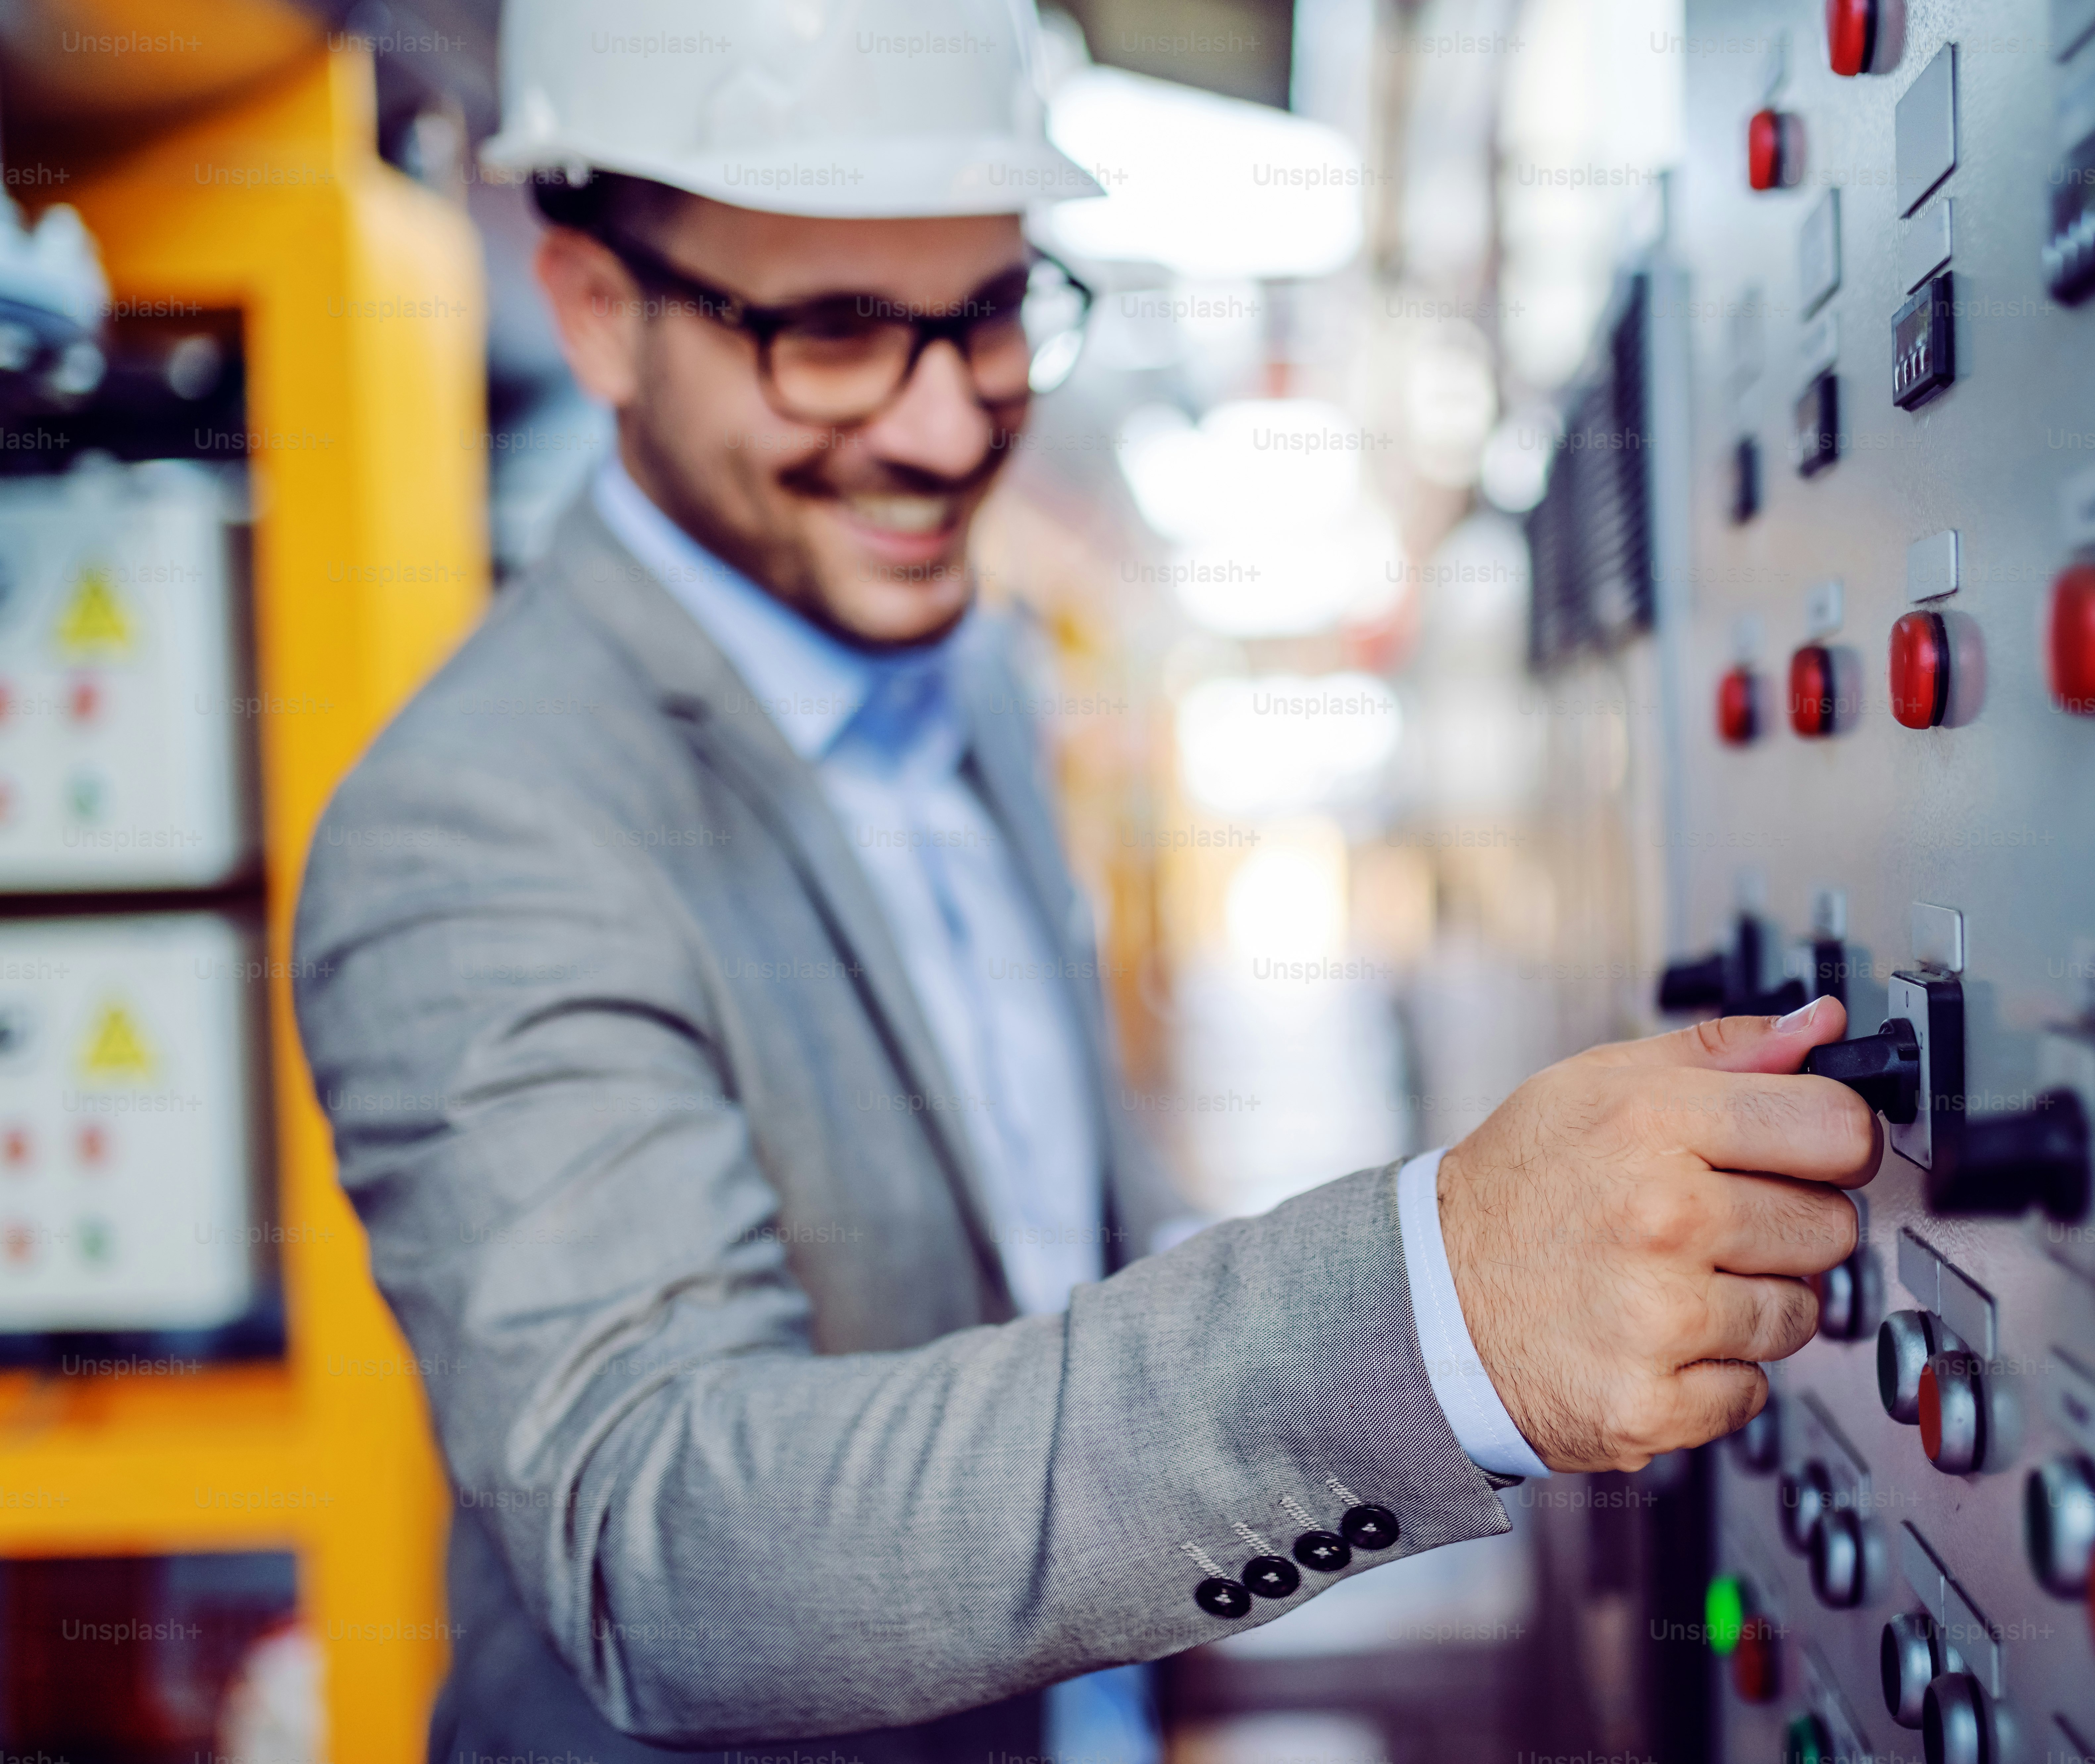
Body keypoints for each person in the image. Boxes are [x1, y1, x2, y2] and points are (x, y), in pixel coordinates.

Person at [289, 2, 1881, 1758]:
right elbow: (669, 1548)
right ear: (598, 310)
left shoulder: (960, 672)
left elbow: (1054, 1248)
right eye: (830, 335)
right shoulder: (482, 821)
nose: (943, 426)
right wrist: (1438, 1310)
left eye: (988, 313)